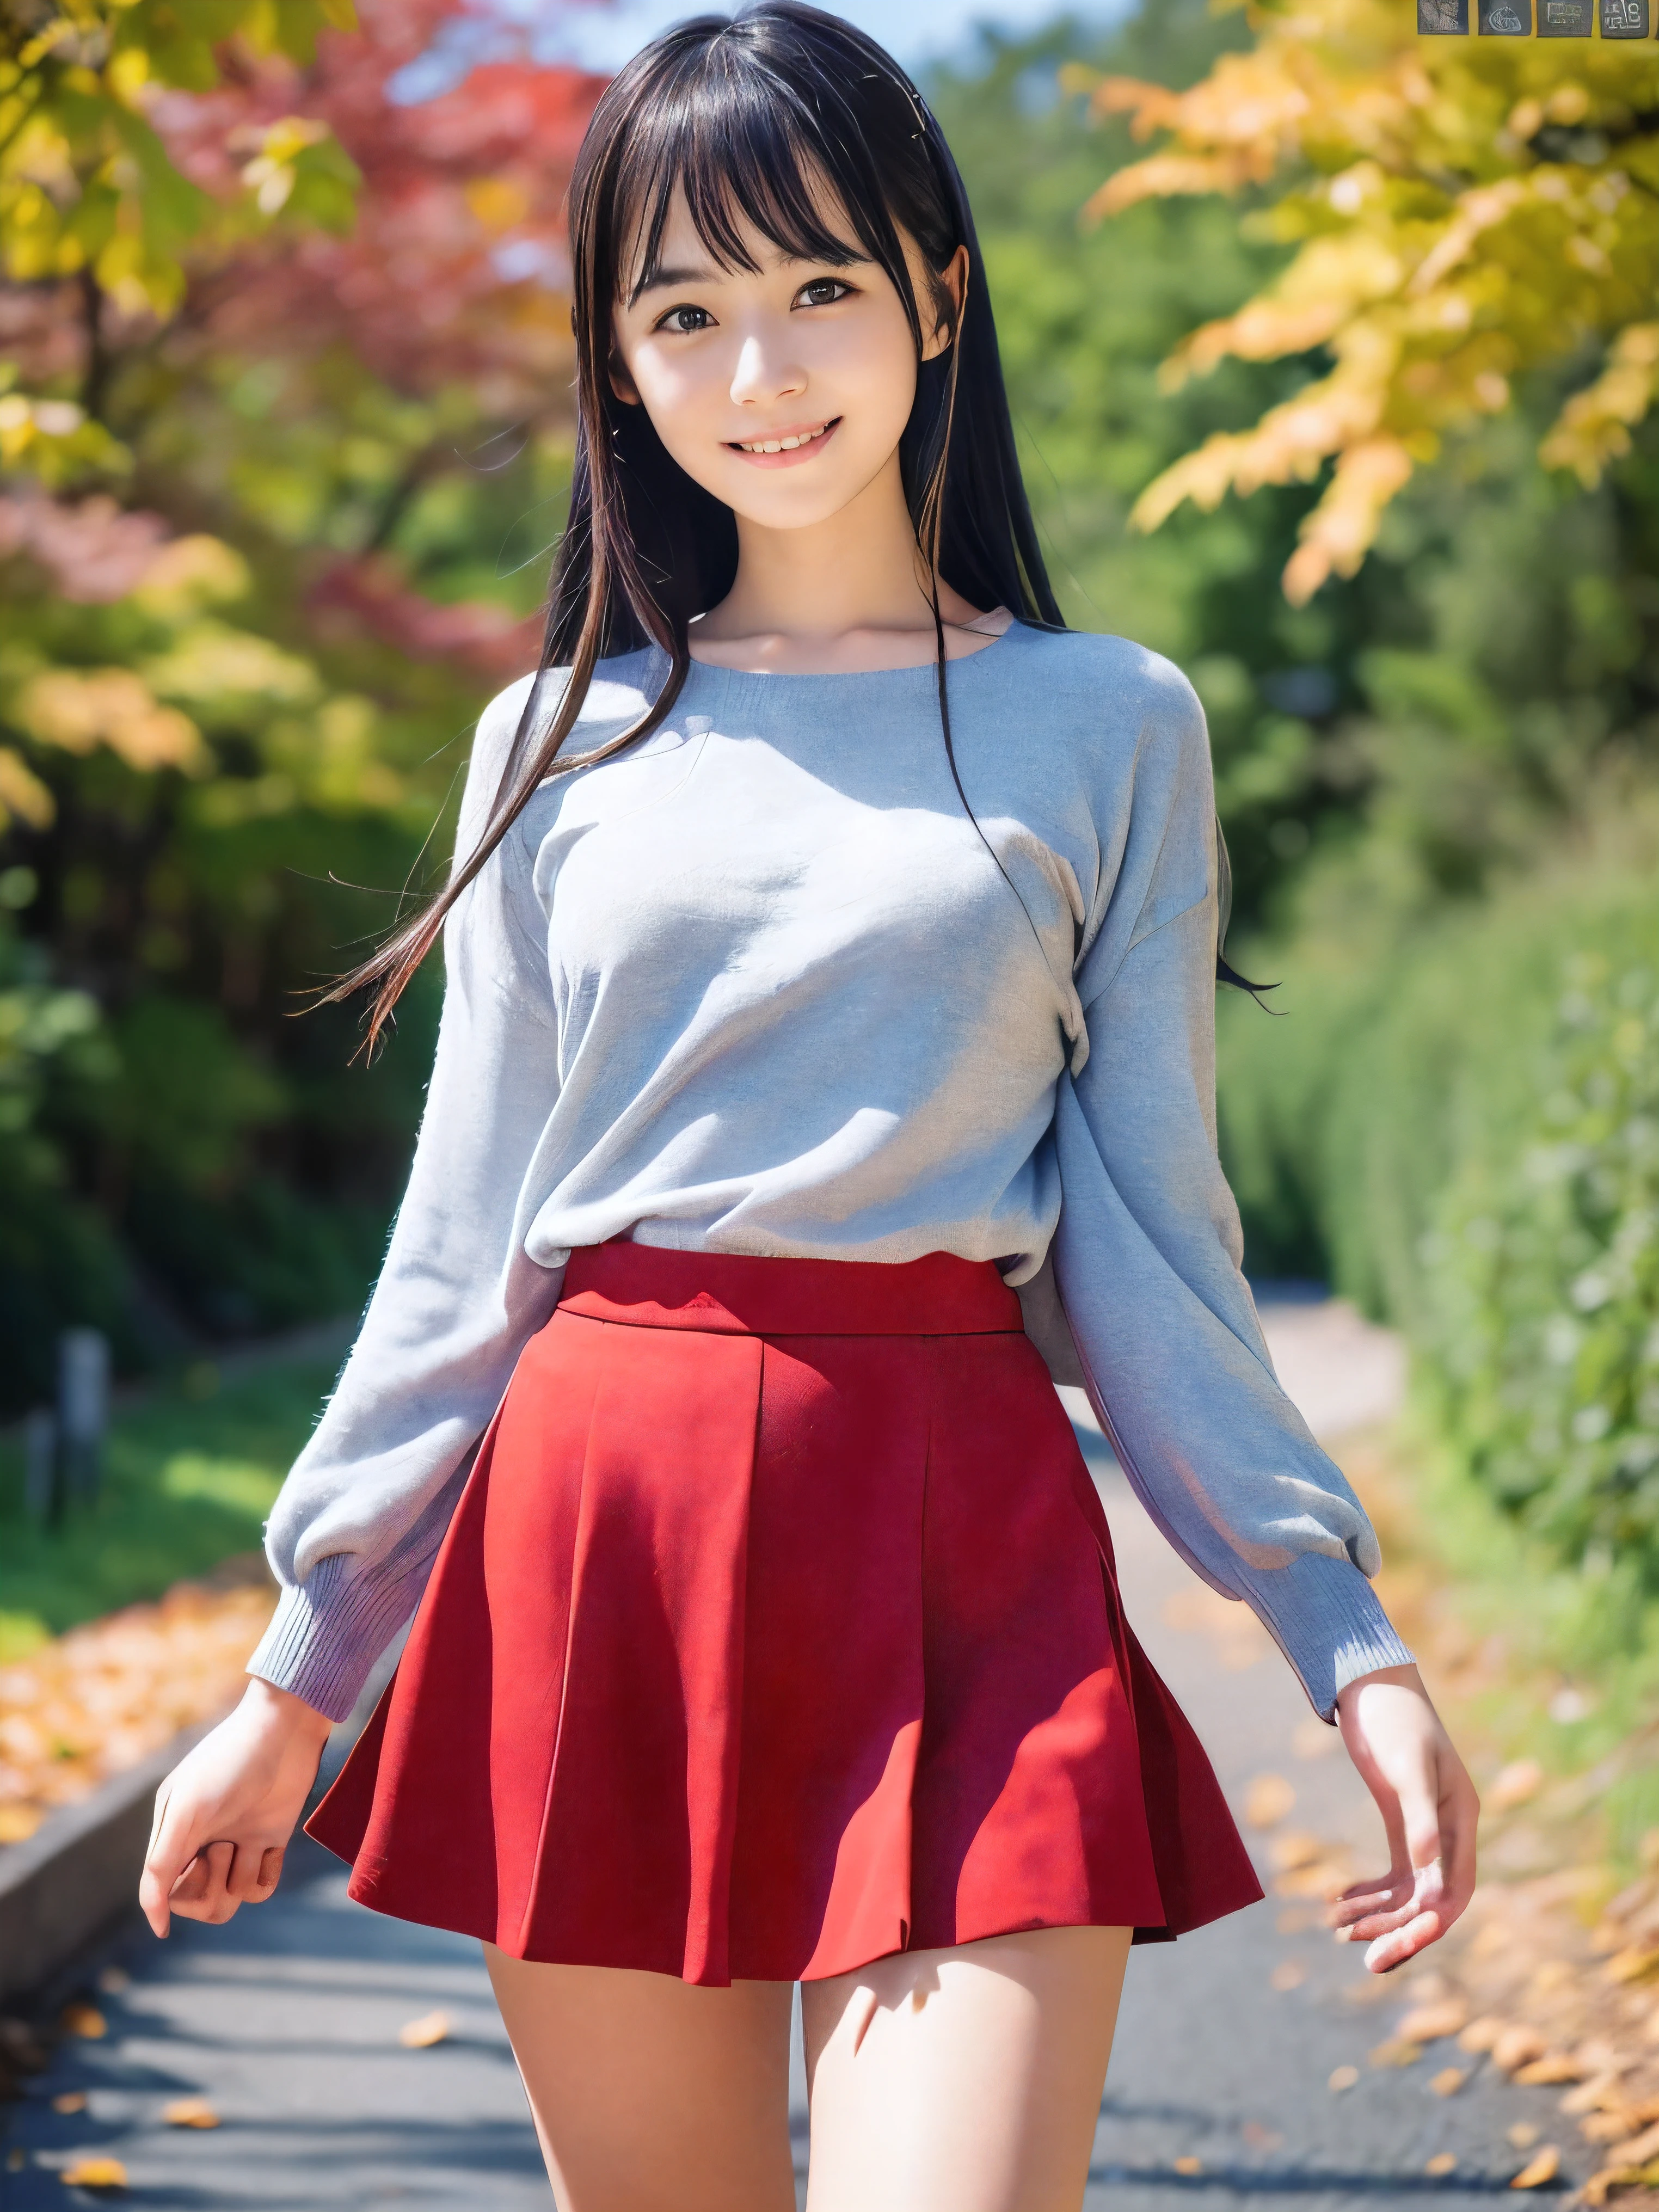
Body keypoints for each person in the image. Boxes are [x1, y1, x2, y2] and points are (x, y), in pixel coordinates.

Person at [139, 8, 1479, 2207]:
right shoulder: (552, 744)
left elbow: (1156, 1251)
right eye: (685, 308)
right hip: (607, 1537)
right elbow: (467, 1253)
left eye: (820, 285)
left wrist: (1345, 1639)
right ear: (619, 360)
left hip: (967, 1548)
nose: (759, 368)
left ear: (938, 292)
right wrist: (301, 1670)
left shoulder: (1107, 725)